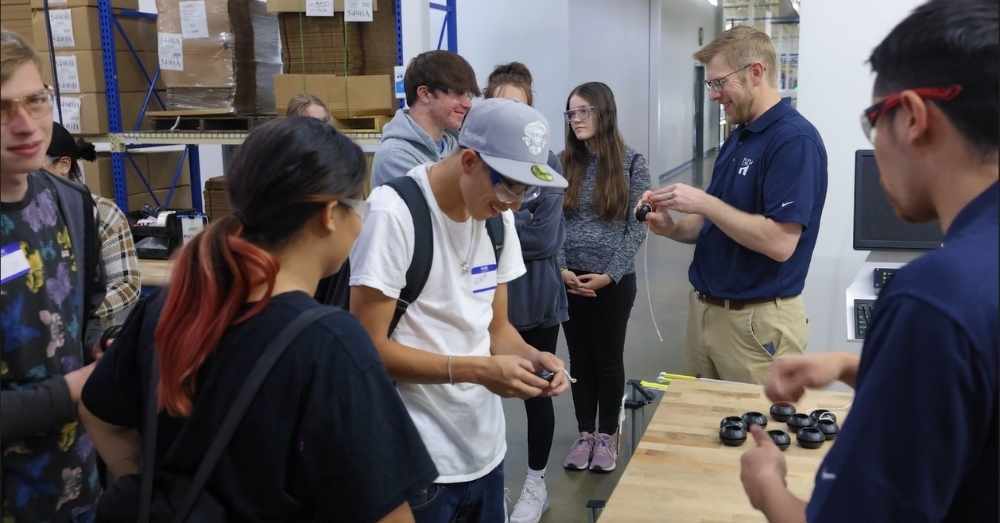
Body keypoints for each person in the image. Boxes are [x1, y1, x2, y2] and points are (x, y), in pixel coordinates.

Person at [78, 117, 438, 522]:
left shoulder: (172, 305)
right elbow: (387, 513)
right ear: (328, 214)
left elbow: (99, 413)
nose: (361, 223)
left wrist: (154, 492)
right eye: (358, 206)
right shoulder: (329, 344)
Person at [740, 1, 998, 521]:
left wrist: (767, 486)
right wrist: (854, 367)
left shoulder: (934, 297)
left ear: (914, 118)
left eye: (873, 121)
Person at [349, 98, 570, 522]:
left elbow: (497, 328)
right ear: (469, 160)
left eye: (526, 191)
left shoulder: (496, 220)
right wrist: (477, 371)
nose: (515, 204)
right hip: (419, 462)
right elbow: (368, 349)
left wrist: (532, 358)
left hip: (486, 452)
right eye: (509, 187)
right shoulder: (395, 213)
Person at [640, 26, 828, 384]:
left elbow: (780, 243)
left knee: (754, 421)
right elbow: (714, 222)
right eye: (710, 84)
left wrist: (705, 203)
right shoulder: (739, 137)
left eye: (719, 83)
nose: (713, 95)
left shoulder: (794, 141)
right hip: (707, 315)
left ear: (755, 72)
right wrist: (672, 227)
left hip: (757, 326)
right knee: (703, 416)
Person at [0, 30, 106, 521]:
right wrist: (72, 390)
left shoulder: (69, 200)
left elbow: (83, 312)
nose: (25, 125)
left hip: (77, 489)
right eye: (1, 109)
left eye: (36, 100)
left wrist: (102, 347)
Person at [483, 62, 567, 523]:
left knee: (537, 393)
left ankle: (536, 483)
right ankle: (491, 483)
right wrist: (518, 219)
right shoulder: (476, 159)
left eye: (519, 106)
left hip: (535, 300)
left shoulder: (547, 165)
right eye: (501, 105)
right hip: (487, 303)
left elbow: (545, 239)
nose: (510, 115)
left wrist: (500, 220)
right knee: (485, 394)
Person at [558, 82, 649, 473]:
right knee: (579, 359)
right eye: (571, 113)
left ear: (604, 113)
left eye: (584, 111)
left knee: (608, 359)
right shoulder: (561, 164)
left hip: (614, 282)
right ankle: (585, 434)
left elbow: (638, 228)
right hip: (569, 279)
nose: (576, 119)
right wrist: (562, 269)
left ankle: (608, 435)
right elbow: (551, 224)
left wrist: (610, 275)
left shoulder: (632, 163)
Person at [45, 122, 140, 352]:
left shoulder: (103, 213)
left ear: (64, 164)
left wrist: (75, 312)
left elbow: (128, 286)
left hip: (91, 340)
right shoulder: (24, 219)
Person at [371, 50, 480, 187]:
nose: (467, 104)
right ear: (425, 94)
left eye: (468, 95)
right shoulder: (394, 156)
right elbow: (441, 198)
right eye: (458, 93)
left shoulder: (456, 145)